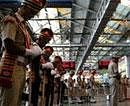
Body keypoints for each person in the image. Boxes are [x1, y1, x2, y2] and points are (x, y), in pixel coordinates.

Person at [0, 0, 46, 106]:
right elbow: (8, 45)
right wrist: (29, 52)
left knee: (16, 101)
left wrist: (32, 51)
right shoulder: (11, 20)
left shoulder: (23, 26)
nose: (32, 16)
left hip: (20, 68)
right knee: (8, 101)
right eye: (32, 13)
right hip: (11, 67)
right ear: (26, 7)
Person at [30, 28, 53, 106]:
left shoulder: (40, 51)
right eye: (44, 38)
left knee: (38, 99)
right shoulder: (33, 46)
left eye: (47, 40)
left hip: (39, 79)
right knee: (32, 100)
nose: (45, 42)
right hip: (32, 77)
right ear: (40, 36)